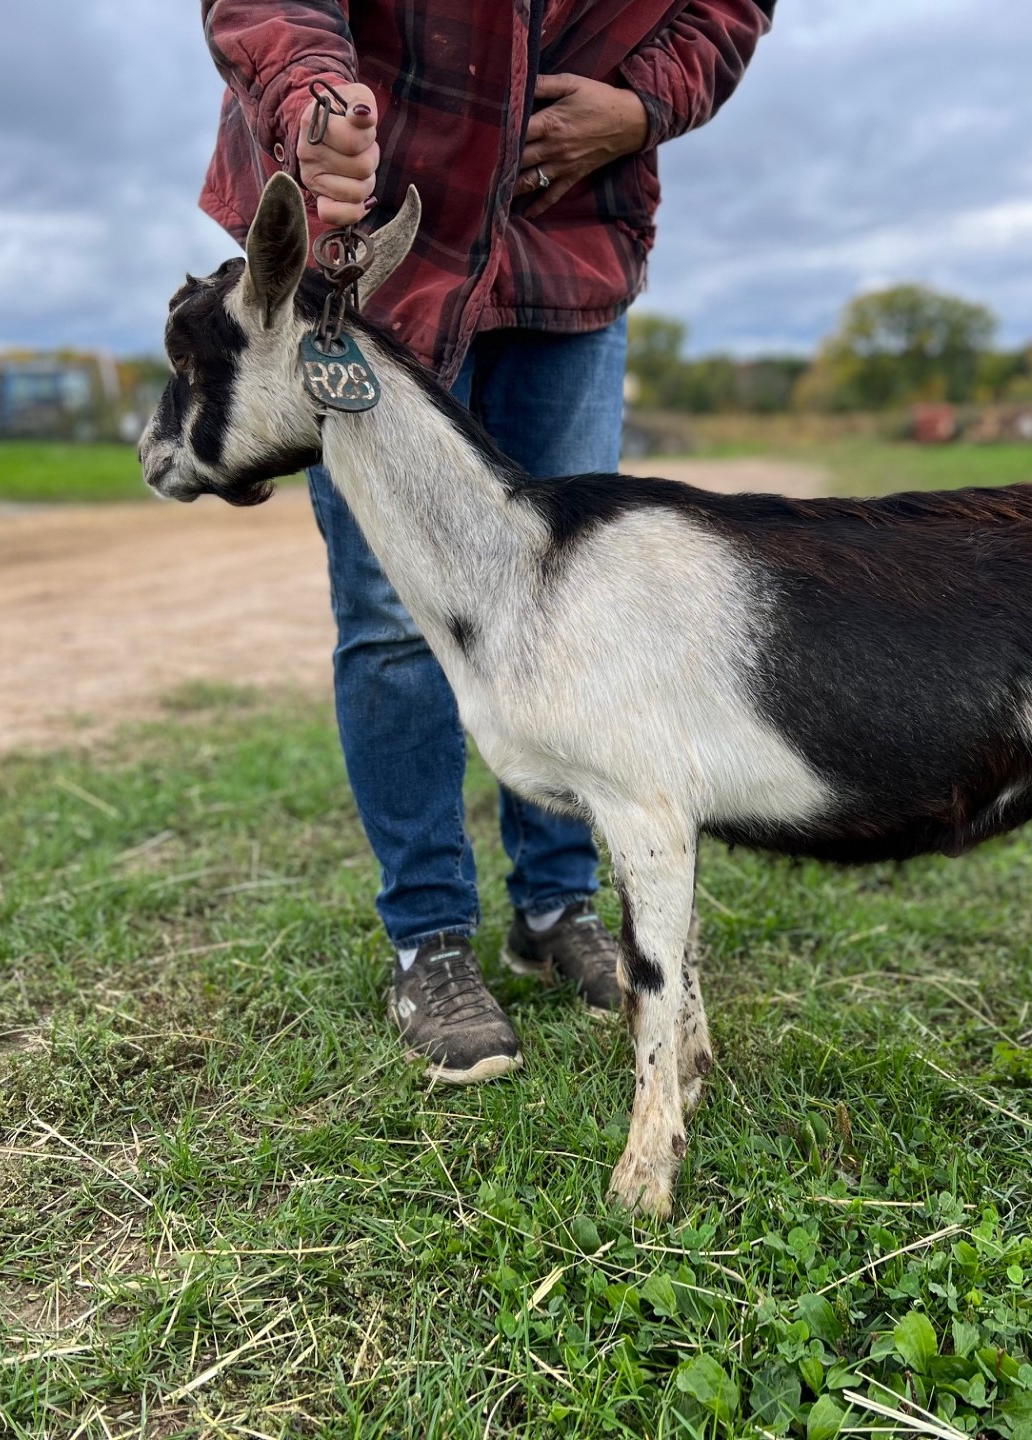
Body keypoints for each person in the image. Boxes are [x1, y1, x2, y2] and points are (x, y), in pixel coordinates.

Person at [200, 2, 773, 1083]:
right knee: (388, 614)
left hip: (568, 245)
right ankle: (429, 939)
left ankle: (555, 907)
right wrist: (311, 98)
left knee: (574, 606)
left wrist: (645, 106)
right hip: (370, 243)